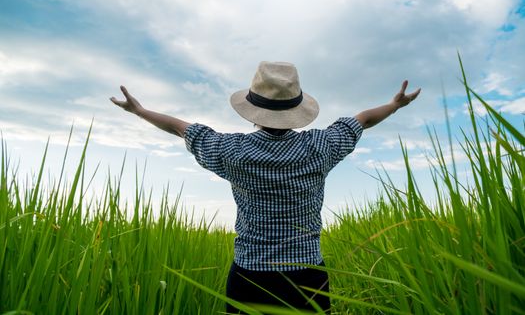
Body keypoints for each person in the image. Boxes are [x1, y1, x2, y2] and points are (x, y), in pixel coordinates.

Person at [110, 61, 421, 313]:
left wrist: (139, 111)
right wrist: (394, 105)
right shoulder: (321, 146)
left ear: (252, 107)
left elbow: (181, 128)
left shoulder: (230, 151)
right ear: (296, 108)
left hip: (250, 276)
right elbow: (363, 120)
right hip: (308, 274)